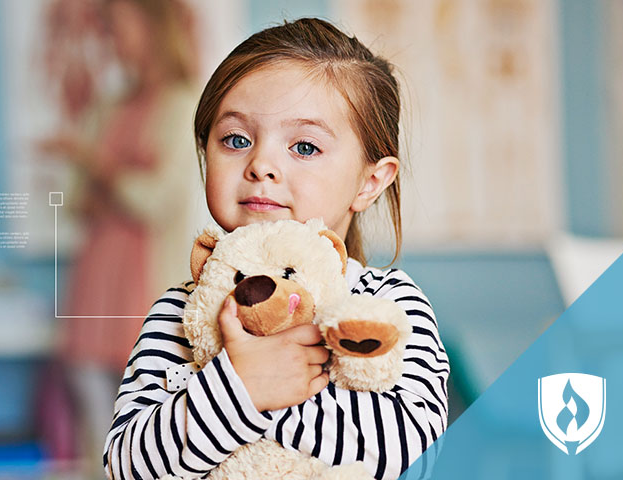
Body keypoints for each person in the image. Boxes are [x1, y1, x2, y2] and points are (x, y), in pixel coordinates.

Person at [103, 18, 449, 480]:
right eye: (236, 140)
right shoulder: (178, 312)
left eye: (304, 147)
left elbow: (415, 452)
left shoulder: (386, 304)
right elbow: (126, 467)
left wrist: (269, 396)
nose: (261, 164)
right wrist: (237, 387)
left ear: (369, 182)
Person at [38, 0, 205, 472]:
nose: (111, 40)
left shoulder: (183, 103)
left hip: (146, 282)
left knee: (153, 413)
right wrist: (100, 179)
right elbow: (76, 203)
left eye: (118, 28)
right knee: (93, 412)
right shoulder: (107, 105)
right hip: (96, 277)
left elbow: (157, 201)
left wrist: (94, 165)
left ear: (153, 28)